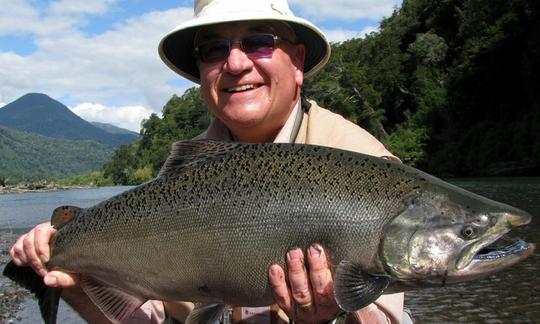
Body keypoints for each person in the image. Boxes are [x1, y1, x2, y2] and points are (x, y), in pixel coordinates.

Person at [9, 0, 408, 323]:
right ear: (200, 70)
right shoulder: (184, 177)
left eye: (260, 42)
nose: (236, 64)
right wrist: (74, 278)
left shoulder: (369, 172)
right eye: (214, 49)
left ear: (298, 61)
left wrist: (337, 316)